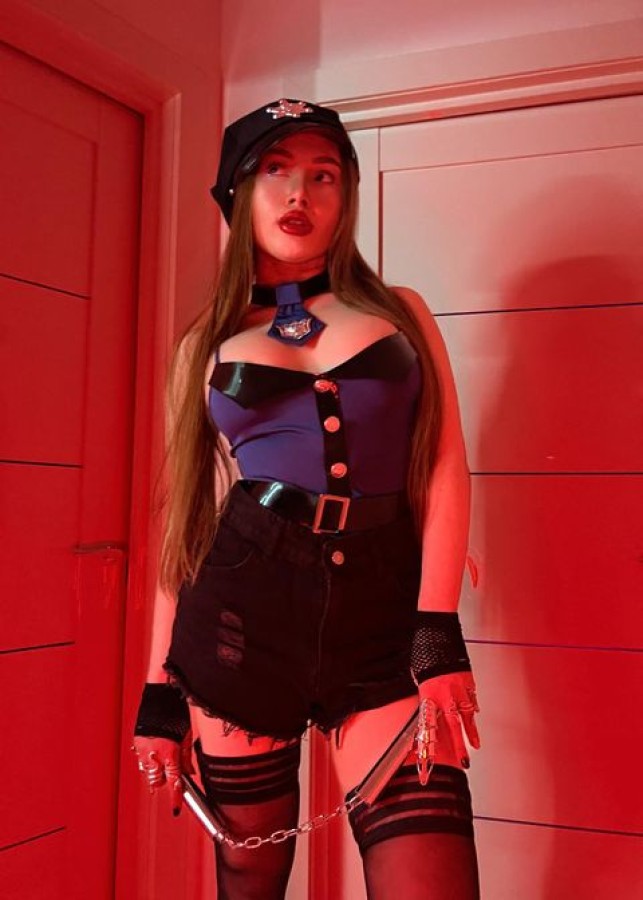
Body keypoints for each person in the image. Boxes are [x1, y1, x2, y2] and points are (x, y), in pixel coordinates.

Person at [132, 97, 481, 900]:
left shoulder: (398, 312)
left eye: (323, 175)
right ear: (238, 192)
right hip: (238, 619)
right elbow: (186, 523)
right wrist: (158, 692)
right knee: (249, 877)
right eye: (275, 171)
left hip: (383, 616)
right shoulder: (203, 345)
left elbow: (443, 464)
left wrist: (435, 631)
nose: (299, 193)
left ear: (344, 196)